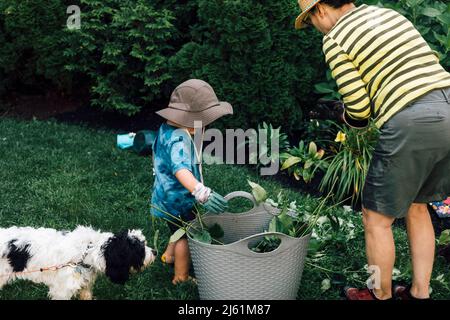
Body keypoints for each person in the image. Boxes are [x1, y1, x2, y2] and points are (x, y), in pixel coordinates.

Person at [295, 0, 450, 300]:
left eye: (311, 20)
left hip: (412, 119)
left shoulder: (336, 37)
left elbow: (358, 108)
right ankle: (420, 293)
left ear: (321, 10)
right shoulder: (386, 13)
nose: (315, 28)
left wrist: (349, 121)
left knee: (375, 218)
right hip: (447, 104)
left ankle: (379, 294)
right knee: (417, 207)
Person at [150, 79, 233, 284]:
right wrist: (200, 191)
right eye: (203, 120)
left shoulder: (166, 129)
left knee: (174, 229)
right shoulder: (179, 140)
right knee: (186, 235)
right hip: (179, 200)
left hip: (164, 196)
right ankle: (181, 276)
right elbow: (181, 171)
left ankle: (169, 256)